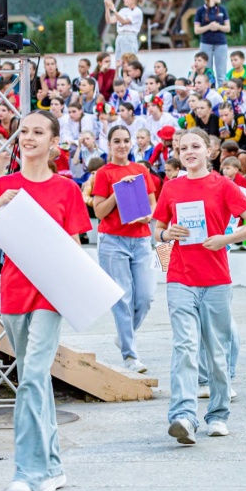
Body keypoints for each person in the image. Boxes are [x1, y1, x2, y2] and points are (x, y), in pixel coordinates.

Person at [0, 110, 92, 491]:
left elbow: (74, 246)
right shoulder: (3, 185)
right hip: (13, 294)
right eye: (24, 131)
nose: (28, 137)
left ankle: (25, 473)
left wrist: (82, 291)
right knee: (32, 382)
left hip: (50, 296)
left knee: (32, 379)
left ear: (54, 142)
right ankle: (53, 467)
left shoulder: (66, 189)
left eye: (38, 132)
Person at [152, 127, 246, 444]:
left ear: (209, 151)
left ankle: (217, 415)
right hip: (180, 278)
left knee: (217, 352)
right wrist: (166, 235)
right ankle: (183, 417)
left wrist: (226, 239)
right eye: (183, 148)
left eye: (195, 146)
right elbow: (157, 231)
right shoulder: (171, 187)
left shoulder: (223, 185)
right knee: (185, 347)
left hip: (216, 280)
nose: (189, 152)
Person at [92, 126, 157, 373]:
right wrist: (117, 192)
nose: (122, 145)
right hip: (113, 240)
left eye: (126, 141)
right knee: (123, 298)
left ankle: (124, 334)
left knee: (146, 297)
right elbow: (99, 212)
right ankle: (130, 355)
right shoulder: (104, 173)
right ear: (109, 144)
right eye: (117, 141)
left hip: (141, 239)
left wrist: (147, 216)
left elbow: (152, 203)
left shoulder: (141, 169)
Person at [194, 0, 231, 86]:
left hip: (220, 43)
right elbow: (196, 30)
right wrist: (209, 27)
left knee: (221, 72)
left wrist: (218, 26)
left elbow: (228, 28)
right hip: (206, 43)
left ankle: (222, 90)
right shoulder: (200, 10)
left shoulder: (222, 9)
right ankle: (208, 90)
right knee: (207, 71)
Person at [105, 0, 144, 68]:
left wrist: (113, 9)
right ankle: (119, 74)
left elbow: (124, 21)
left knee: (129, 61)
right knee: (118, 61)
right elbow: (109, 20)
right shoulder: (123, 10)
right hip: (120, 36)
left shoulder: (137, 11)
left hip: (129, 36)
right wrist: (107, 8)